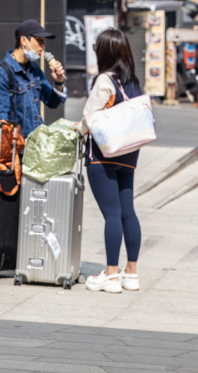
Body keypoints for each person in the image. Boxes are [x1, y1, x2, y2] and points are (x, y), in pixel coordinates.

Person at [74, 29, 142, 294]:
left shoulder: (105, 80)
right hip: (128, 155)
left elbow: (89, 119)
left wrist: (75, 130)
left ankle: (111, 275)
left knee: (111, 214)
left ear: (105, 52)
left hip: (103, 156)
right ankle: (131, 273)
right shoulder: (133, 81)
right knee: (128, 212)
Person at [0, 19, 68, 138]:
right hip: (17, 151)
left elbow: (52, 102)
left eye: (44, 41)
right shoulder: (2, 74)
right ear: (23, 40)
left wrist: (59, 82)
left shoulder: (34, 69)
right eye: (39, 40)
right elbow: (0, 122)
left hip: (36, 147)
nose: (43, 45)